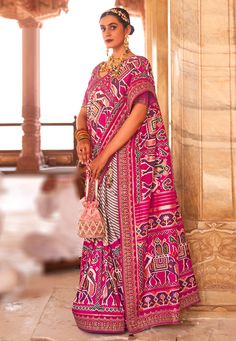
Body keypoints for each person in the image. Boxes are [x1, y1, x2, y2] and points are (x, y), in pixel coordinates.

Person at [72, 7, 200, 335]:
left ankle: (137, 309)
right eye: (102, 28)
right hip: (99, 165)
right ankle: (110, 307)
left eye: (113, 27)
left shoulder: (138, 66)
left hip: (127, 164)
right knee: (104, 232)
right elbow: (83, 111)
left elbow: (138, 113)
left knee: (127, 234)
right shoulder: (98, 70)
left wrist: (105, 155)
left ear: (127, 30)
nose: (107, 33)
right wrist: (82, 137)